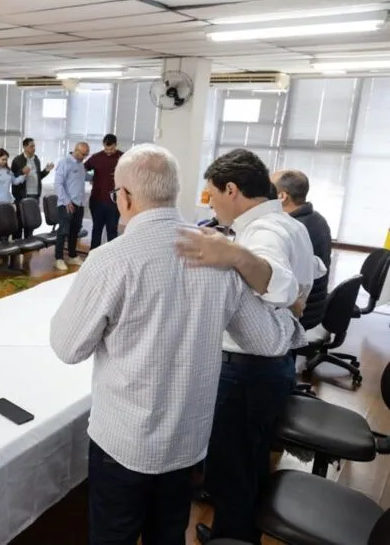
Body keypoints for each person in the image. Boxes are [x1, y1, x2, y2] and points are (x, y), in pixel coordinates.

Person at [49, 144, 303, 545]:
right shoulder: (217, 255)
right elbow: (268, 341)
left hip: (124, 443)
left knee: (112, 535)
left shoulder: (112, 260)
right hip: (187, 443)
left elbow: (68, 348)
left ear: (126, 197)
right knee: (168, 534)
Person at [175, 149, 324, 545]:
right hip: (268, 367)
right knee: (250, 459)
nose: (209, 204)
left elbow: (280, 280)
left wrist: (238, 256)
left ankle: (231, 537)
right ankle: (241, 532)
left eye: (211, 195)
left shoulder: (263, 232)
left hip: (245, 370)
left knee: (230, 469)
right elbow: (302, 281)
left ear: (232, 189)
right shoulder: (287, 223)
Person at [272, 169, 332, 329]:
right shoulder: (317, 218)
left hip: (301, 312)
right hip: (315, 306)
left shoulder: (294, 228)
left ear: (282, 196)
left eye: (270, 189)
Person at [54, 142, 90, 271]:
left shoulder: (81, 165)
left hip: (79, 203)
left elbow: (83, 178)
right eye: (83, 154)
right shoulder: (65, 162)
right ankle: (58, 258)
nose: (84, 157)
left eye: (86, 154)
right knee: (63, 231)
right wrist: (66, 201)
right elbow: (58, 184)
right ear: (76, 150)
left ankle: (72, 255)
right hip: (66, 204)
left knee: (74, 231)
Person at [85, 134, 124, 249]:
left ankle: (112, 258)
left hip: (114, 202)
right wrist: (91, 177)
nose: (108, 151)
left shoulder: (123, 158)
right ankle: (93, 257)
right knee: (96, 229)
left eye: (111, 149)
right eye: (106, 149)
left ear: (116, 145)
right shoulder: (96, 157)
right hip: (97, 200)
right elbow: (83, 169)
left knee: (112, 230)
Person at [11, 137, 54, 239]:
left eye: (34, 146)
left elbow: (38, 177)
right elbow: (12, 178)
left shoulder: (36, 159)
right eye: (31, 146)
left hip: (34, 196)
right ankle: (16, 249)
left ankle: (28, 248)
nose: (34, 148)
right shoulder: (17, 160)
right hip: (22, 196)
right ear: (25, 147)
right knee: (20, 223)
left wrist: (46, 171)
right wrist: (22, 172)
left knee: (31, 223)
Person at [0, 148, 25, 239]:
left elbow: (14, 181)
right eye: (3, 159)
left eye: (6, 159)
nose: (4, 161)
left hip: (6, 202)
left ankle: (4, 247)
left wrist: (24, 176)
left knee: (5, 227)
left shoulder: (8, 170)